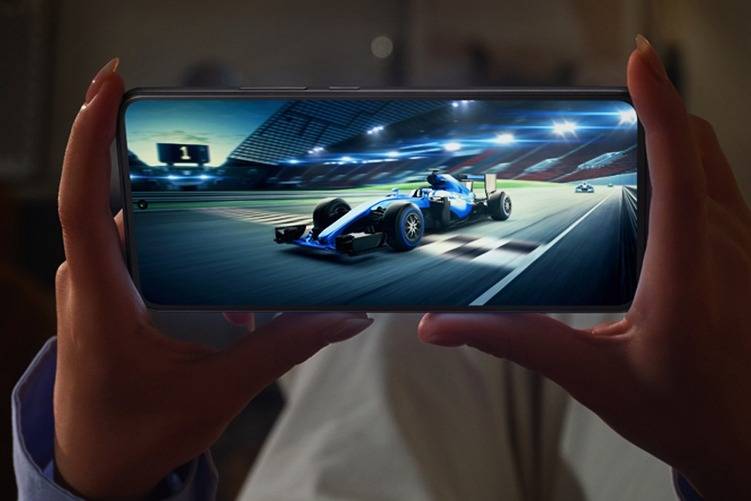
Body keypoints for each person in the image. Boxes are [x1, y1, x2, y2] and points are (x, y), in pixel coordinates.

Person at [11, 34, 751, 499]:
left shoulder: (459, 194)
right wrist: (731, 457)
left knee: (384, 346)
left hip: (449, 229)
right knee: (433, 333)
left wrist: (89, 487)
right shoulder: (404, 196)